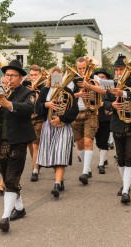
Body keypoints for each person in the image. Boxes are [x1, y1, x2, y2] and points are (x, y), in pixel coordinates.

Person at [0, 60, 36, 232]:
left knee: (11, 179)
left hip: (18, 141)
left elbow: (28, 109)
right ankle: (19, 208)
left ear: (20, 78)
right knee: (6, 177)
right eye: (7, 75)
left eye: (13, 75)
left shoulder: (28, 93)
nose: (9, 78)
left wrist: (9, 104)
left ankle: (5, 217)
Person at [104, 55, 131, 204]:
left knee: (129, 157)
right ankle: (125, 185)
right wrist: (112, 106)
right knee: (120, 158)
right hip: (118, 122)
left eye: (120, 69)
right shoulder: (111, 83)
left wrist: (123, 93)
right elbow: (106, 101)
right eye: (116, 69)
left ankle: (125, 191)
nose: (118, 72)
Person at [36, 67, 79, 197]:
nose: (56, 79)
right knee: (53, 155)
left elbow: (74, 110)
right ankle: (60, 179)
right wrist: (46, 105)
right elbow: (37, 109)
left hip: (63, 126)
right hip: (48, 126)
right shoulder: (44, 91)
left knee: (60, 154)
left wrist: (61, 118)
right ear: (50, 77)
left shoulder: (67, 91)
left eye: (59, 76)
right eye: (53, 76)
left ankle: (56, 183)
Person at [71, 57, 103, 185]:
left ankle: (84, 172)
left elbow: (104, 91)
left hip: (91, 112)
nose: (82, 71)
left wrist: (90, 86)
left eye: (84, 68)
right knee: (79, 143)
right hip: (76, 113)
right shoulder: (72, 80)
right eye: (80, 68)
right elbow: (65, 96)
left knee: (88, 141)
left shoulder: (95, 78)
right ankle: (87, 168)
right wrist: (78, 94)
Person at [22, 65, 45, 182]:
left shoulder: (44, 85)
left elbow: (44, 101)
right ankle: (35, 163)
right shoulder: (25, 85)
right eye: (31, 75)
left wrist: (37, 93)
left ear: (40, 75)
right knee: (30, 144)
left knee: (36, 144)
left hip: (38, 117)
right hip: (27, 117)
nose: (33, 77)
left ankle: (35, 170)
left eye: (35, 75)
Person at [94, 69, 112, 174]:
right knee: (98, 141)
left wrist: (109, 108)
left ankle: (101, 164)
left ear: (107, 79)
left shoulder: (109, 88)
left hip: (105, 117)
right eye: (99, 76)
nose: (100, 78)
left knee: (103, 141)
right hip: (95, 117)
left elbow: (114, 100)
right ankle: (104, 158)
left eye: (103, 77)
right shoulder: (93, 87)